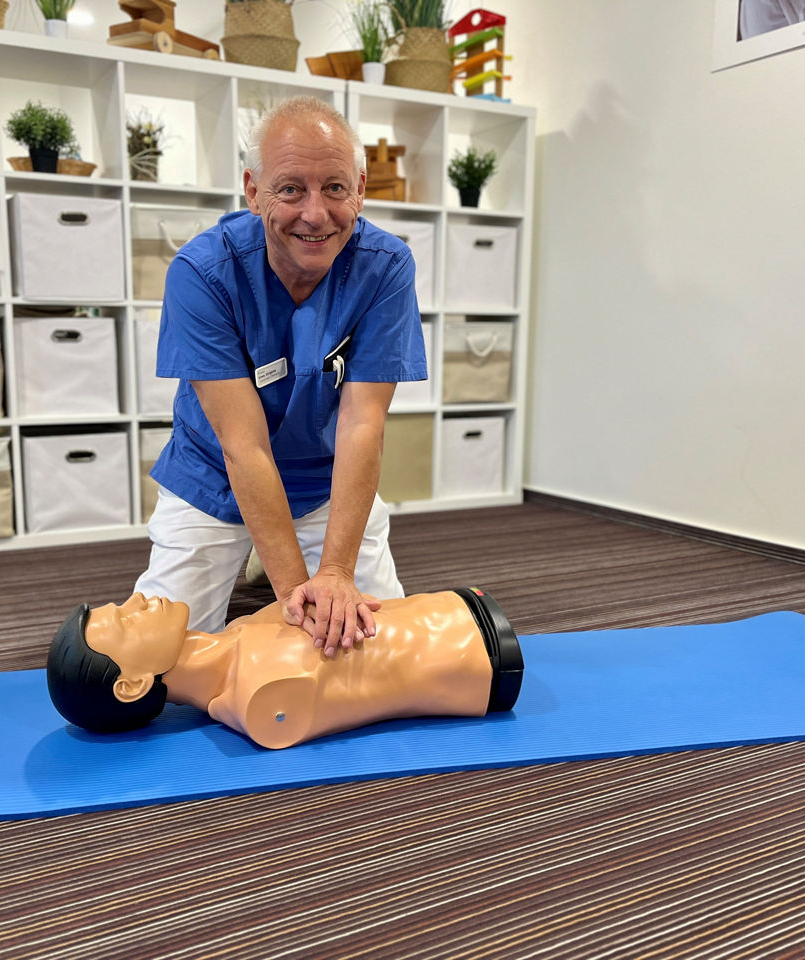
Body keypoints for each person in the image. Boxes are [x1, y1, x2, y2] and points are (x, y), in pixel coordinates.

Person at [133, 96, 427, 654]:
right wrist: (296, 596)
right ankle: (262, 559)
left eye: (335, 188)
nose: (315, 214)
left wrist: (337, 573)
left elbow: (363, 424)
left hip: (323, 481)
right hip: (214, 477)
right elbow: (244, 448)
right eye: (291, 189)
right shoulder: (202, 273)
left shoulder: (386, 268)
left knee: (388, 645)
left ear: (361, 189)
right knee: (160, 657)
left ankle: (271, 555)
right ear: (252, 191)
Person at [46, 588, 523, 749]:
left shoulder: (238, 632)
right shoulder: (258, 700)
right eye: (127, 620)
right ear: (132, 685)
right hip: (480, 658)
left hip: (462, 608)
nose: (138, 599)